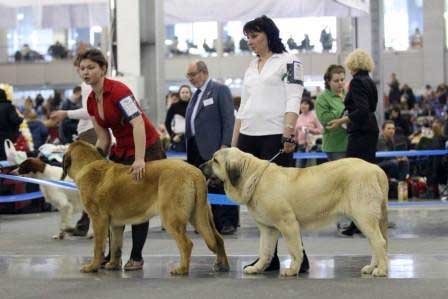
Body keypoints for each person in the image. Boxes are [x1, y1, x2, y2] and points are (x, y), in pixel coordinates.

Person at [232, 15, 309, 273]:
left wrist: (289, 132)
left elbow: (293, 97)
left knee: (281, 200)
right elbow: (242, 108)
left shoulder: (289, 61)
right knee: (257, 203)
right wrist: (233, 145)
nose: (250, 42)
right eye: (248, 38)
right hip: (249, 136)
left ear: (269, 35)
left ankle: (301, 257)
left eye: (254, 36)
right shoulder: (250, 67)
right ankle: (269, 257)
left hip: (275, 135)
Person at [78, 48, 164, 271]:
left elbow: (138, 124)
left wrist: (140, 159)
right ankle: (113, 255)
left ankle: (136, 256)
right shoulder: (90, 101)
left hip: (147, 146)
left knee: (138, 201)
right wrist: (93, 166)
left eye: (91, 67)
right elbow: (104, 138)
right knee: (110, 201)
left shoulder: (119, 92)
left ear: (103, 69)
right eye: (82, 68)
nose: (86, 72)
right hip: (121, 149)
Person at [327, 49, 380, 237]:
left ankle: (358, 223)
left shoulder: (357, 82)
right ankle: (364, 222)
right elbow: (371, 108)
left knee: (355, 180)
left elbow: (363, 110)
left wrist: (342, 121)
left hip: (361, 134)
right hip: (370, 131)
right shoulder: (370, 81)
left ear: (353, 64)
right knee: (365, 179)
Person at [185, 60, 236, 235]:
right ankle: (207, 221)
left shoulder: (219, 90)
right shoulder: (195, 94)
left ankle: (227, 222)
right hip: (195, 147)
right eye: (188, 75)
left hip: (214, 148)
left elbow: (229, 119)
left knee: (220, 184)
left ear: (204, 72)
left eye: (193, 74)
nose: (190, 79)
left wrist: (225, 145)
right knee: (201, 187)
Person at [51, 56, 98, 237]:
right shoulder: (88, 86)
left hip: (90, 134)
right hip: (90, 133)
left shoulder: (87, 86)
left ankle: (90, 225)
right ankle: (85, 224)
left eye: (87, 67)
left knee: (87, 184)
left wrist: (66, 113)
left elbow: (89, 112)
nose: (83, 71)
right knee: (88, 184)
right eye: (81, 68)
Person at [316, 64, 348, 162]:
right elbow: (326, 120)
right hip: (335, 146)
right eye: (336, 81)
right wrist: (344, 110)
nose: (340, 83)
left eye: (342, 80)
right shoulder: (322, 98)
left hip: (350, 142)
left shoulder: (346, 93)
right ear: (328, 81)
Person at [294, 99, 322, 167]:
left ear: (310, 106)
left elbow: (321, 130)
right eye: (302, 104)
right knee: (298, 167)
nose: (303, 106)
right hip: (301, 146)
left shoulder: (314, 116)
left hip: (312, 146)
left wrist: (310, 130)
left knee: (312, 167)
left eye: (306, 104)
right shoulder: (298, 117)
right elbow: (296, 132)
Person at [164, 85, 191, 152]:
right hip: (179, 138)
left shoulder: (194, 106)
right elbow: (167, 122)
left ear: (190, 94)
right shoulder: (174, 106)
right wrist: (172, 136)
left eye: (187, 92)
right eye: (183, 92)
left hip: (192, 138)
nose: (185, 94)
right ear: (179, 94)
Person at [0, 87, 23, 161]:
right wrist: (21, 118)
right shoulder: (8, 107)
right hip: (6, 138)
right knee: (7, 160)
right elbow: (15, 120)